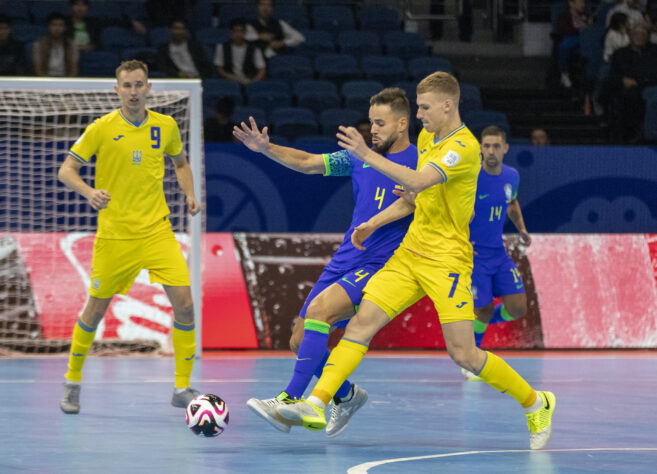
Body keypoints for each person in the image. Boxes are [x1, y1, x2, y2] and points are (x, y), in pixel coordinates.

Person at [274, 71, 556, 451]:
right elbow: (412, 197)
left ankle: (536, 402)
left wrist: (365, 154)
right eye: (417, 106)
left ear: (447, 104)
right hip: (409, 255)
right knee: (360, 325)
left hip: (447, 262)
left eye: (424, 107)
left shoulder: (463, 148)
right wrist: (372, 223)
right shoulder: (427, 137)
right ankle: (316, 403)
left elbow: (420, 180)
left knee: (465, 354)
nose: (419, 114)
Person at [234, 88, 417, 437]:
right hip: (345, 258)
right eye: (371, 122)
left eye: (380, 123)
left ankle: (290, 398)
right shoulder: (360, 157)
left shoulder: (421, 165)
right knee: (299, 340)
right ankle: (346, 395)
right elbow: (307, 162)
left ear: (402, 123)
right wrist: (265, 148)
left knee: (319, 310)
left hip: (382, 263)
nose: (372, 129)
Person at [57, 60, 201, 414]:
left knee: (184, 304)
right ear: (117, 89)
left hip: (157, 231)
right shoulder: (102, 128)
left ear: (149, 87)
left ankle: (181, 387)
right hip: (115, 237)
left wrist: (190, 194)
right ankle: (72, 381)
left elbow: (180, 163)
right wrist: (88, 192)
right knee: (95, 310)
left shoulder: (165, 126)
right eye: (128, 85)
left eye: (140, 84)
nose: (134, 91)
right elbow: (67, 170)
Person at [461, 126, 531, 380]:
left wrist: (521, 228)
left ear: (505, 148)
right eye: (486, 146)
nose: (491, 151)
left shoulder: (512, 175)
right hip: (473, 255)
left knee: (517, 308)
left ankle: (469, 330)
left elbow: (511, 202)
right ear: (480, 148)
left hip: (498, 254)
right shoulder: (470, 176)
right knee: (484, 310)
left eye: (496, 146)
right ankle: (472, 358)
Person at [607, 22, 657, 142]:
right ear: (630, 35)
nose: (639, 36)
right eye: (636, 33)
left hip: (650, 85)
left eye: (643, 33)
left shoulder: (654, 52)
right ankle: (635, 134)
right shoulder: (620, 54)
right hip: (629, 88)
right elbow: (613, 75)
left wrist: (642, 81)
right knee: (630, 95)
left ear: (648, 36)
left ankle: (648, 135)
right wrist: (622, 80)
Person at [214, 18, 266, 86]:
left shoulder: (254, 48)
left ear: (245, 32)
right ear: (231, 32)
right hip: (229, 81)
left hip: (249, 80)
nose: (239, 34)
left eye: (241, 31)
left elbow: (262, 69)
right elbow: (219, 68)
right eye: (236, 31)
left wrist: (254, 82)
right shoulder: (221, 47)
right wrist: (233, 78)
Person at [555, 0, 591, 88]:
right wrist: (579, 27)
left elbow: (590, 30)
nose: (583, 5)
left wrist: (588, 24)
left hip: (585, 40)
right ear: (571, 3)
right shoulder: (564, 16)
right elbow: (563, 30)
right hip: (572, 39)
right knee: (564, 45)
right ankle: (564, 74)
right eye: (580, 2)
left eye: (583, 2)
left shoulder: (585, 16)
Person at [33, 12, 79, 77]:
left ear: (65, 28)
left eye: (60, 25)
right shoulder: (39, 45)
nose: (57, 29)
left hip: (65, 80)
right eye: (54, 25)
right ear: (48, 27)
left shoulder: (72, 45)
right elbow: (38, 70)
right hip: (46, 80)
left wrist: (66, 83)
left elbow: (74, 70)